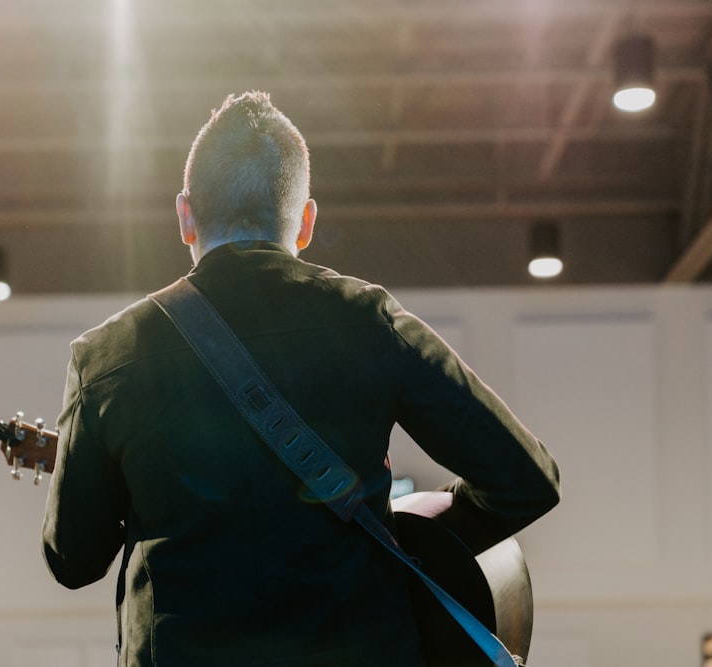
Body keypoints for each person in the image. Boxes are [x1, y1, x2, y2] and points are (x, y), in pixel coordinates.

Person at [41, 91, 560, 667]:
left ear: (185, 216)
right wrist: (410, 533)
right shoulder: (368, 320)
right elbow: (527, 479)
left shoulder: (106, 356)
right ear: (306, 221)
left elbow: (74, 562)